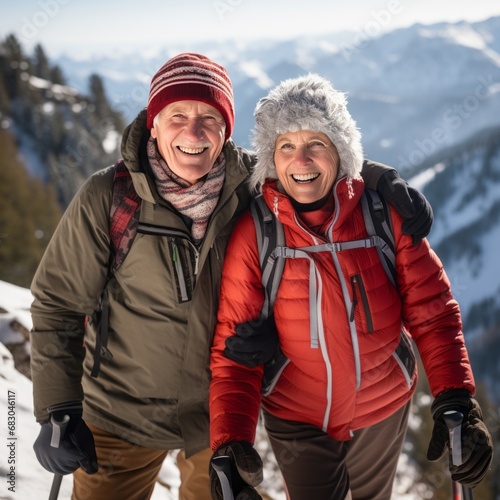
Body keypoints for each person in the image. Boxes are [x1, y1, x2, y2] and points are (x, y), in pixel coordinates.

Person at [30, 54, 433, 500]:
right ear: (154, 124)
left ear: (226, 129)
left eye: (209, 117)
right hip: (119, 413)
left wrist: (377, 177)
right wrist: (59, 408)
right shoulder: (110, 198)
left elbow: (311, 167)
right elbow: (58, 305)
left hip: (217, 422)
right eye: (177, 116)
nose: (194, 132)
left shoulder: (250, 186)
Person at [209, 74, 493, 499]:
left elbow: (433, 312)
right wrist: (230, 442)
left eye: (315, 145)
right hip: (297, 416)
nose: (300, 160)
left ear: (340, 152)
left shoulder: (384, 216)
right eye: (286, 146)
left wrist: (456, 398)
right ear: (272, 158)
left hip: (384, 408)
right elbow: (235, 351)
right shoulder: (258, 233)